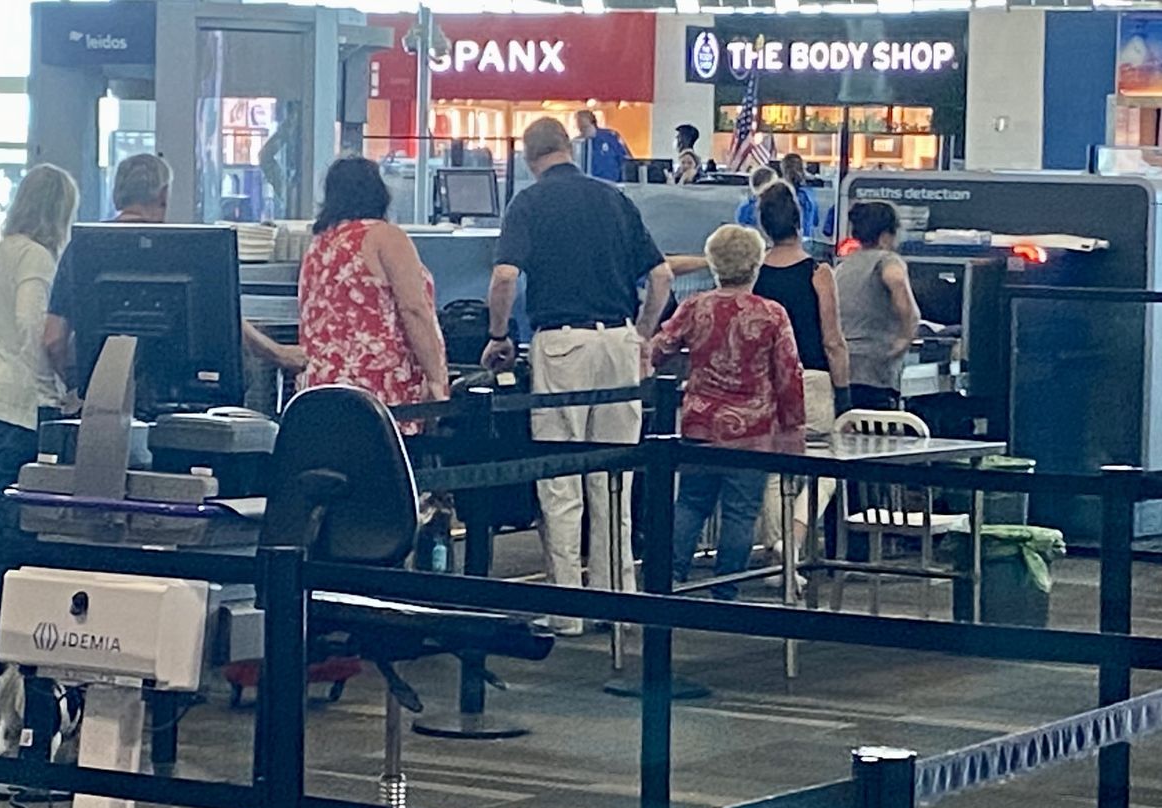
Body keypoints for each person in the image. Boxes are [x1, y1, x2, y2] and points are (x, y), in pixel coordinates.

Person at [482, 118, 673, 634]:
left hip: (561, 344)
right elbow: (661, 276)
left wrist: (499, 335)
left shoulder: (528, 203)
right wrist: (642, 336)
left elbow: (504, 276)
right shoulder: (613, 199)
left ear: (529, 158)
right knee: (614, 476)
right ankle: (619, 603)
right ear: (570, 148)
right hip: (617, 341)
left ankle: (567, 610)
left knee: (561, 477)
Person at [0, 165, 81, 686]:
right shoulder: (39, 258)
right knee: (6, 529)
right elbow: (40, 332)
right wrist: (68, 382)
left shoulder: (5, 249)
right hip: (17, 404)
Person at [43, 153, 302, 397]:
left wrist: (84, 388)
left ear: (117, 195)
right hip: (181, 396)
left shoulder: (81, 247)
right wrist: (278, 353)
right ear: (163, 195)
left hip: (103, 401)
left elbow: (54, 338)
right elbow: (223, 315)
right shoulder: (181, 248)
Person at [651, 225, 804, 600]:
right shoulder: (771, 314)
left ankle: (668, 578)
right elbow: (789, 373)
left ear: (714, 264)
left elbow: (659, 349)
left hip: (699, 424)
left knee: (690, 502)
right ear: (756, 265)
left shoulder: (694, 307)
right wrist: (793, 426)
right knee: (740, 512)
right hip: (752, 431)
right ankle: (725, 589)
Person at [297, 157, 450, 428]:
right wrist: (436, 378)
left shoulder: (318, 246)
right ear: (380, 192)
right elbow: (413, 309)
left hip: (322, 387)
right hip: (380, 385)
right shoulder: (386, 237)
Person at [750, 184, 850, 566]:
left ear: (763, 225)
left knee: (776, 470)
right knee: (824, 465)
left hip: (766, 381)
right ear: (799, 219)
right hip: (811, 379)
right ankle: (793, 542)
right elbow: (833, 340)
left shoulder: (754, 275)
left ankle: (780, 553)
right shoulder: (818, 273)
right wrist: (844, 392)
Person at [832, 200, 921, 414]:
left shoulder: (843, 267)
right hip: (875, 369)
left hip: (842, 370)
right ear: (885, 236)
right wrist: (905, 335)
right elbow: (897, 281)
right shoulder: (887, 260)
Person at [574, 109, 631, 184]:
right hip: (589, 184)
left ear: (592, 123)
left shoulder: (611, 137)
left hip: (612, 183)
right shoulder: (578, 143)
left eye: (585, 127)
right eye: (580, 128)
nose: (583, 131)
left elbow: (625, 159)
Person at [776, 153, 821, 238]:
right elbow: (815, 221)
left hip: (787, 240)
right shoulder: (809, 194)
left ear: (783, 170)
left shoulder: (780, 195)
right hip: (807, 239)